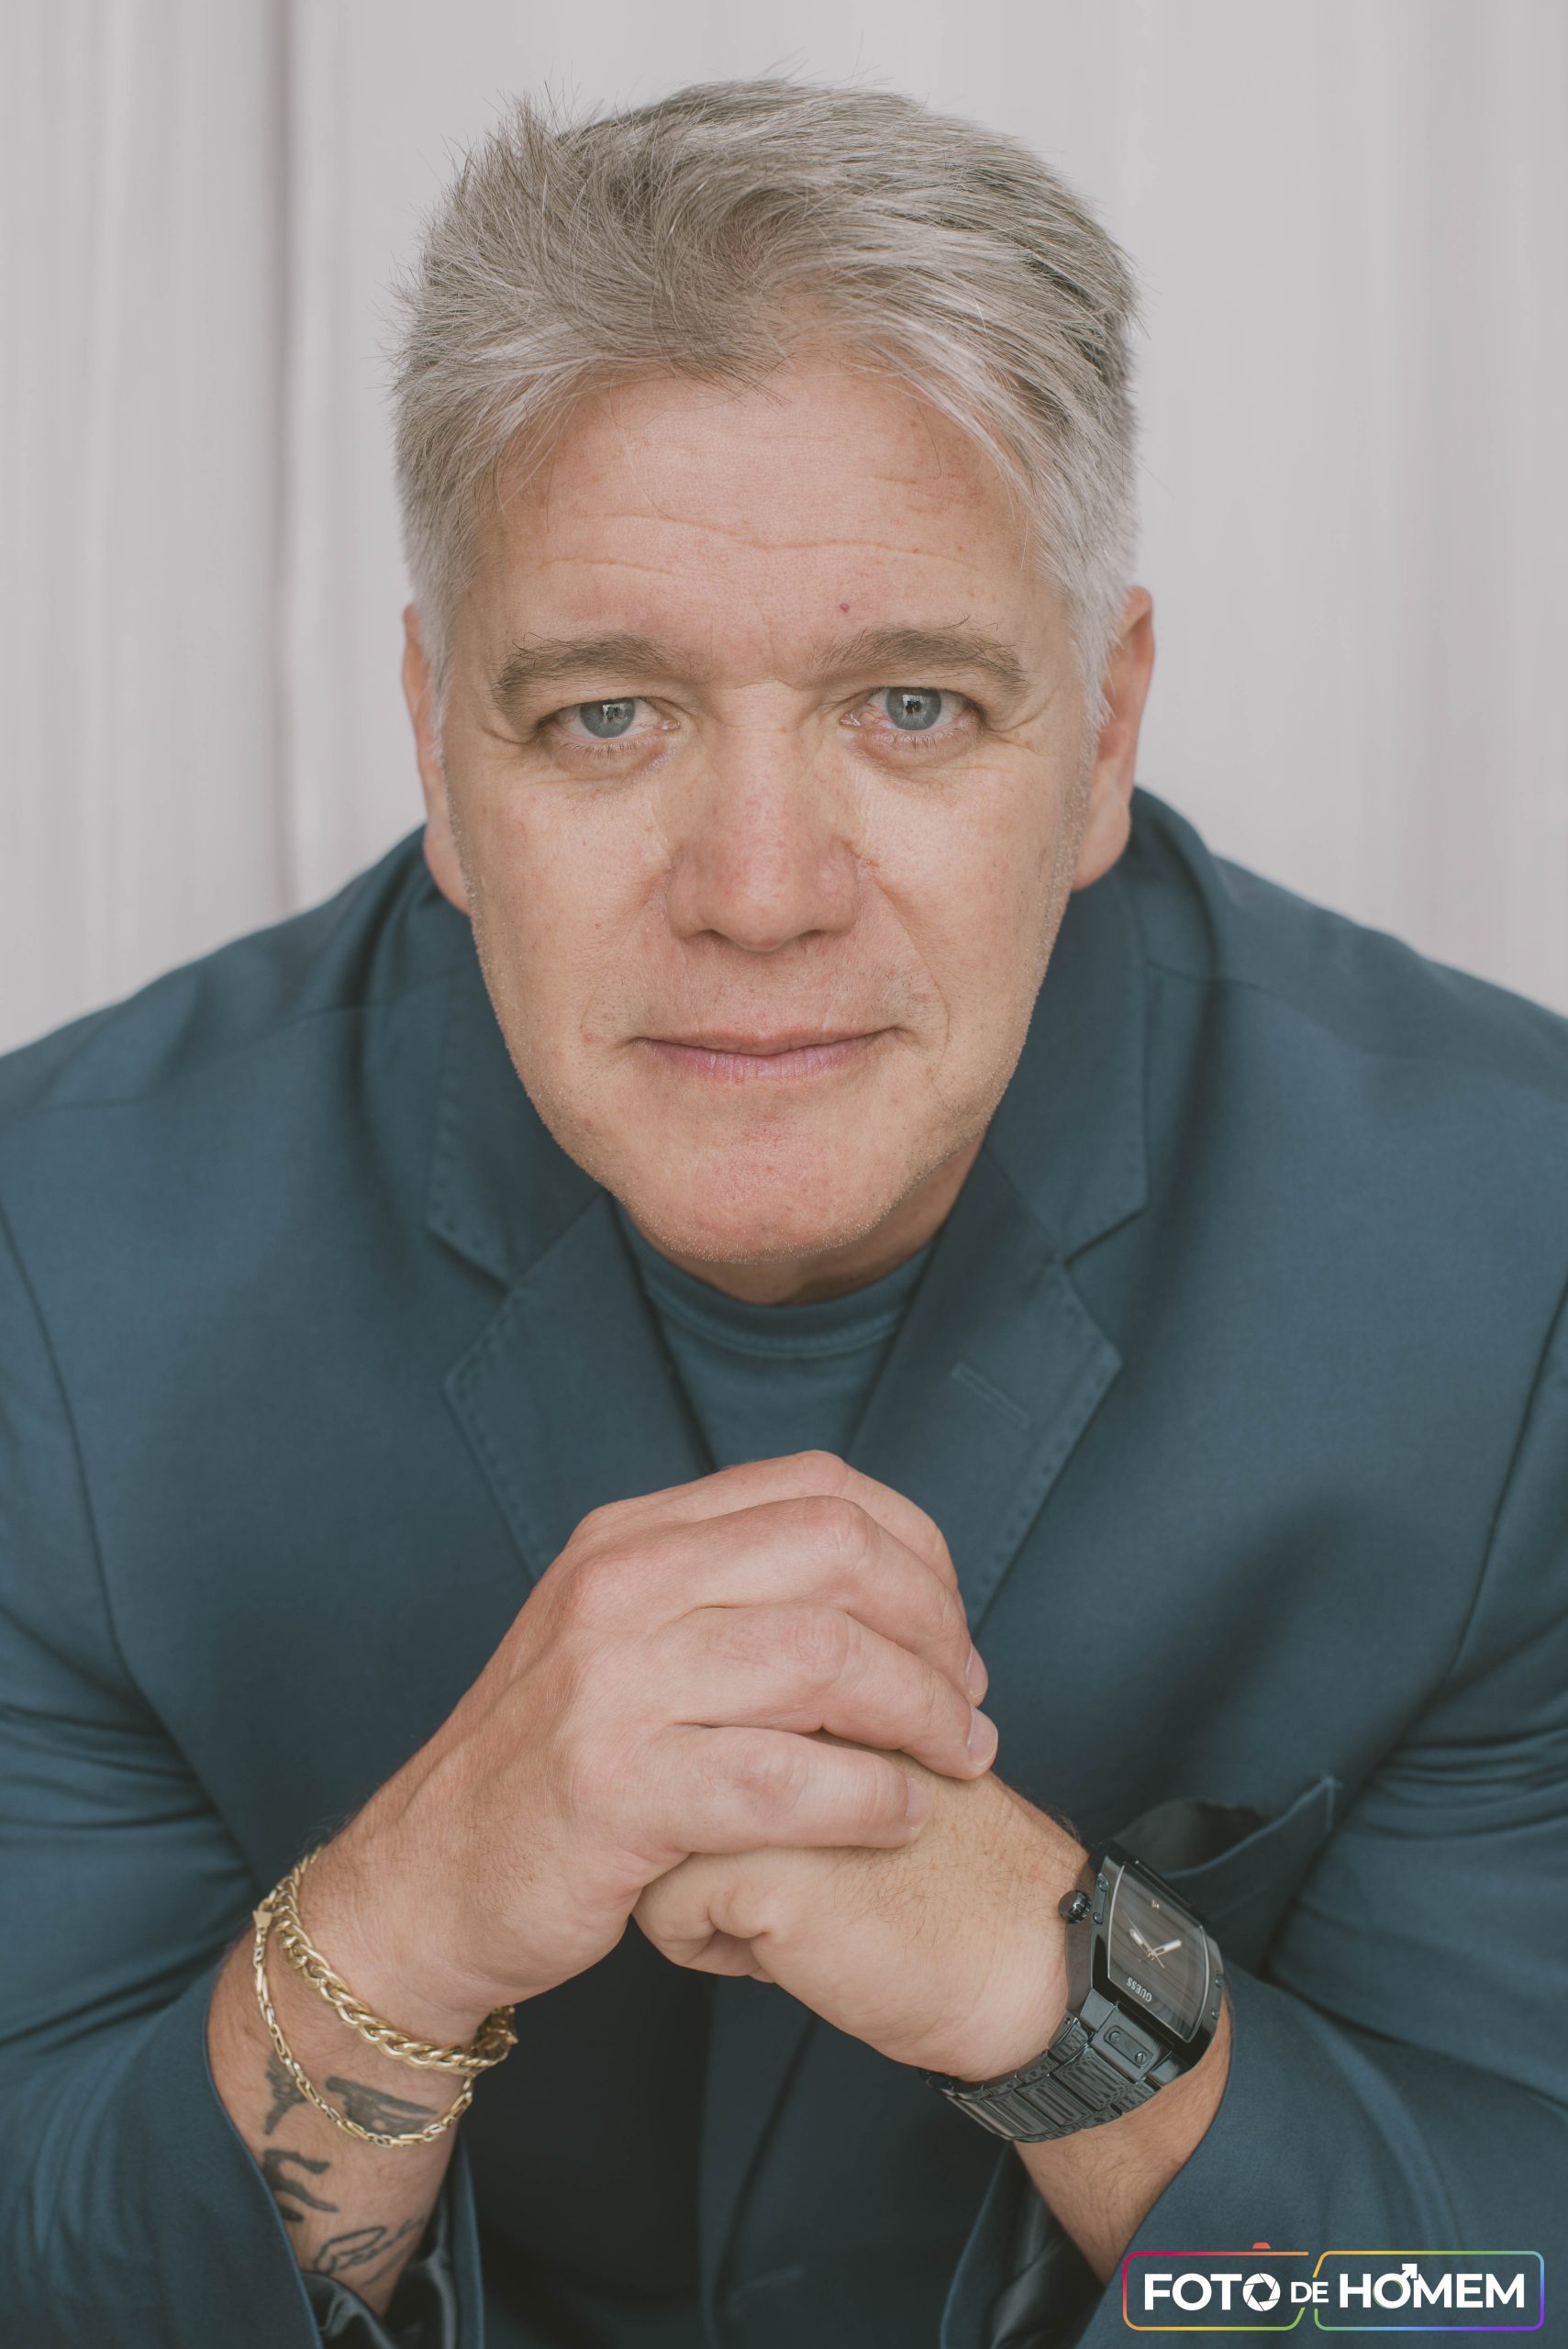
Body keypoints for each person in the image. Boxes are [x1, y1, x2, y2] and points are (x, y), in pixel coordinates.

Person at [2, 77, 1564, 2349]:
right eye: (608, 715)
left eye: (910, 704)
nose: (759, 892)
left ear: (1105, 729)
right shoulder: (54, 1263)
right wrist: (405, 1919)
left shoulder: (1518, 1262)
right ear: (436, 741)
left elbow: (1499, 2287)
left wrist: (1066, 1990)